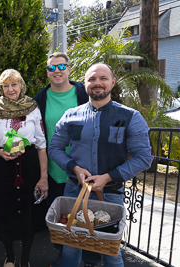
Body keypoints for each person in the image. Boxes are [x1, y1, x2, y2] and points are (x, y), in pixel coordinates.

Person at [48, 63, 154, 267]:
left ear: (112, 83)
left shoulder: (130, 117)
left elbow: (143, 157)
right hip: (74, 191)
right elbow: (55, 149)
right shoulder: (71, 115)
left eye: (103, 78)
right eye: (92, 79)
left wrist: (108, 177)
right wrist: (75, 168)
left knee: (110, 251)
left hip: (111, 193)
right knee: (71, 246)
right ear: (85, 84)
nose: (97, 83)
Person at [0, 69, 48, 267]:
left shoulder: (32, 107)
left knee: (29, 211)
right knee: (5, 211)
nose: (10, 89)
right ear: (1, 88)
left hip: (29, 165)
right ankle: (10, 257)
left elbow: (41, 143)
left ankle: (25, 258)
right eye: (6, 85)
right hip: (4, 167)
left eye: (14, 84)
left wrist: (44, 176)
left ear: (21, 85)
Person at [33, 52, 89, 266]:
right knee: (60, 216)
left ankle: (86, 253)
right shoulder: (41, 98)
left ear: (69, 69)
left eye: (61, 66)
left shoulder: (83, 93)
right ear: (47, 73)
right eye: (52, 68)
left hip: (84, 166)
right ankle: (63, 254)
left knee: (84, 213)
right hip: (55, 167)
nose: (57, 71)